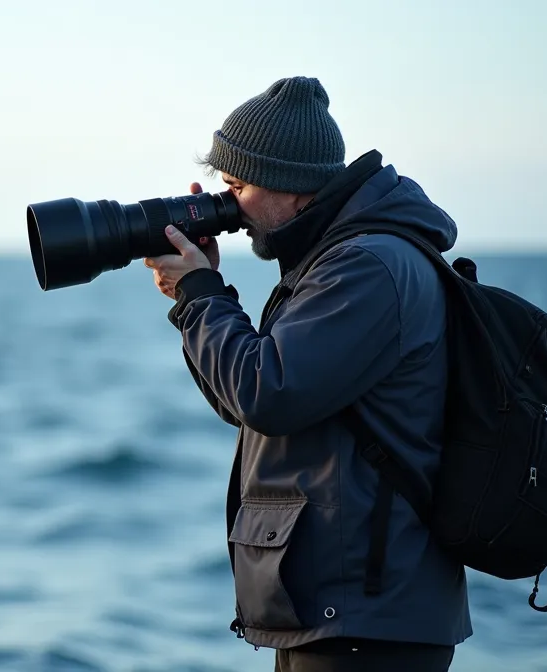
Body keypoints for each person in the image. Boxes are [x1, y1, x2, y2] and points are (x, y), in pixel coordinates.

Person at [143, 76, 472, 672]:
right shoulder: (338, 259)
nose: (227, 204)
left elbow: (267, 391)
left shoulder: (367, 266)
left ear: (293, 185)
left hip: (368, 619)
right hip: (338, 611)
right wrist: (198, 297)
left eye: (237, 185)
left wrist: (198, 296)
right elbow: (244, 399)